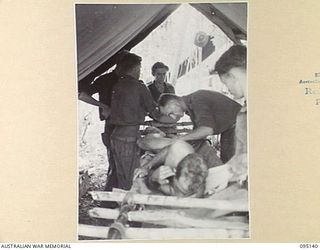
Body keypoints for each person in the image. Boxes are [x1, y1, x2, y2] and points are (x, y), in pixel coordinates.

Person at [110, 53, 176, 190]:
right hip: (128, 137)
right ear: (134, 68)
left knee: (121, 176)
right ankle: (128, 208)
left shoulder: (118, 84)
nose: (139, 72)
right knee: (132, 178)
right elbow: (154, 112)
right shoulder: (139, 87)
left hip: (115, 136)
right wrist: (172, 118)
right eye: (139, 69)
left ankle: (120, 204)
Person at [78, 50, 128, 192]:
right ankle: (110, 197)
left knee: (123, 164)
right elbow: (81, 94)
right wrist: (103, 106)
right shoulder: (106, 80)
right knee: (114, 162)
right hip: (112, 125)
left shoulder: (130, 81)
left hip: (127, 126)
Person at [158, 90, 242, 163]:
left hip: (240, 124)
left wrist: (180, 138)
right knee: (227, 162)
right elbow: (198, 134)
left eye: (170, 113)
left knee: (234, 165)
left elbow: (206, 130)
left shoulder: (197, 99)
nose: (173, 117)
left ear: (173, 103)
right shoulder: (191, 107)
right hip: (230, 128)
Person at [208, 44, 248, 191]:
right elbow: (240, 157)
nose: (227, 89)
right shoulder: (244, 110)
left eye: (226, 83)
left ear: (233, 76)